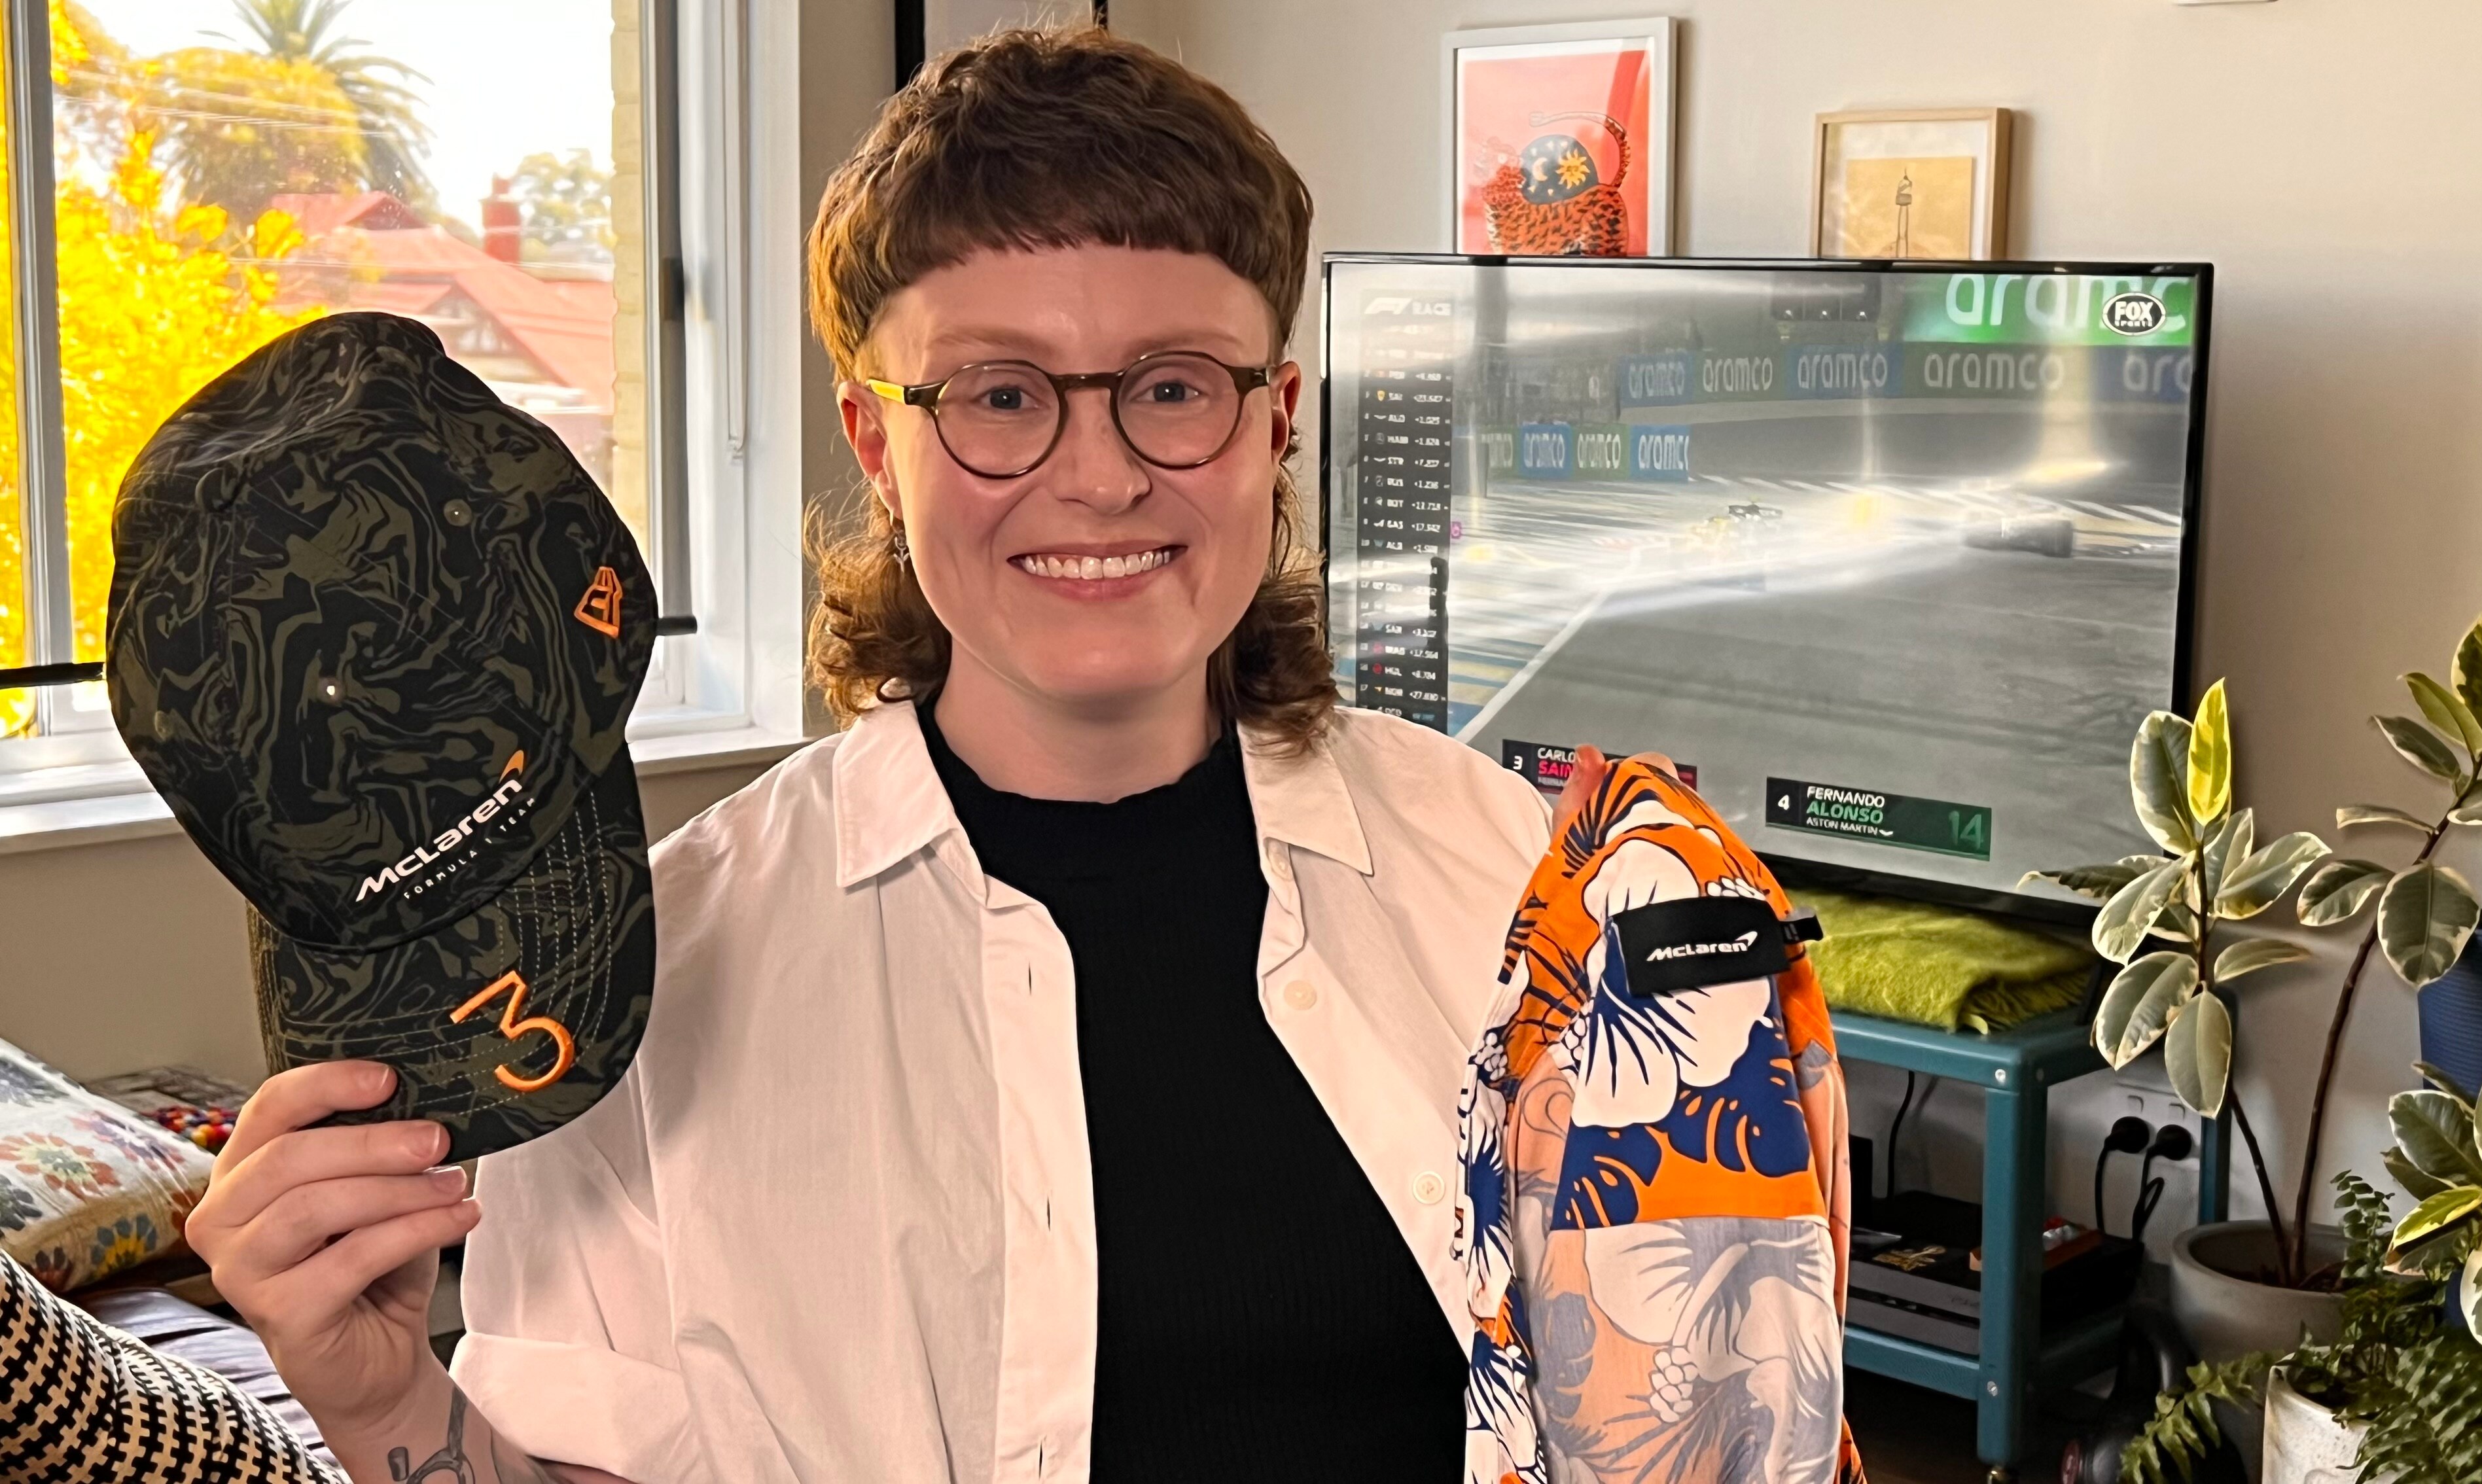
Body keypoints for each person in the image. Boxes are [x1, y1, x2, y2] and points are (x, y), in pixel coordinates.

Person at [181, 26, 1645, 1484]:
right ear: (878, 448)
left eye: (1175, 386)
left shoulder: (1515, 877)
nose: (1100, 476)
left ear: (1274, 423)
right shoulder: (648, 989)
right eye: (999, 395)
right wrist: (383, 1403)